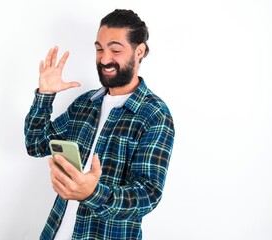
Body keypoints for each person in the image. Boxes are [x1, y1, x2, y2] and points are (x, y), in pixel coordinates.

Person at [24, 9, 175, 240]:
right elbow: (36, 144)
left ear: (139, 51)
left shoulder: (154, 114)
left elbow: (148, 194)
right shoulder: (86, 103)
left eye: (115, 50)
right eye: (99, 49)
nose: (104, 59)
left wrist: (93, 193)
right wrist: (45, 95)